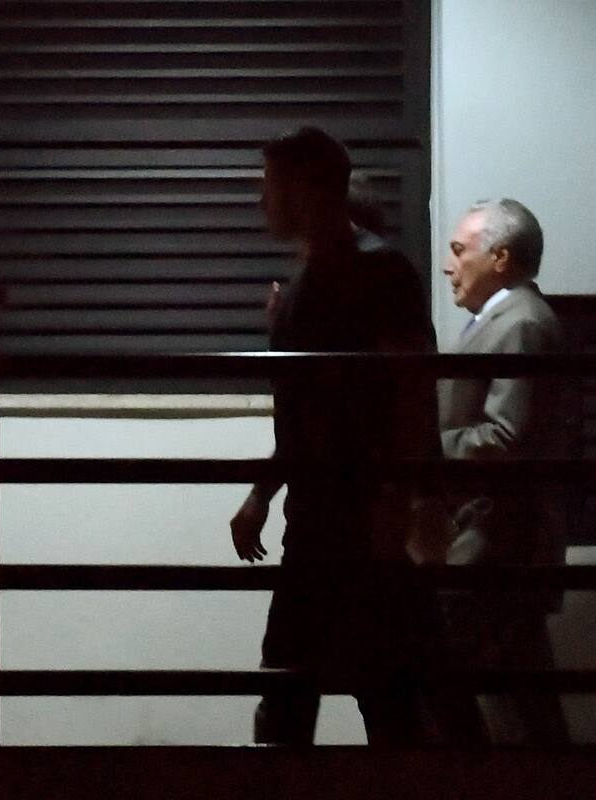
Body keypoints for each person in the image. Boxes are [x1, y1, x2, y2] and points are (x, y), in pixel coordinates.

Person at [228, 126, 441, 744]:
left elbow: (411, 391)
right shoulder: (307, 287)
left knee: (376, 698)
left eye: (269, 186)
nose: (261, 202)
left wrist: (400, 499)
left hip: (359, 519)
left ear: (302, 189)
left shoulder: (379, 271)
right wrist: (263, 493)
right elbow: (303, 408)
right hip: (317, 521)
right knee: (298, 696)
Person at [433, 198, 570, 744]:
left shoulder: (522, 324)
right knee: (517, 692)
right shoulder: (502, 320)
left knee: (486, 686)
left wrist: (424, 447)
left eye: (459, 250)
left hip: (495, 542)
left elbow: (504, 438)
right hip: (492, 539)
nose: (448, 265)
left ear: (501, 257)